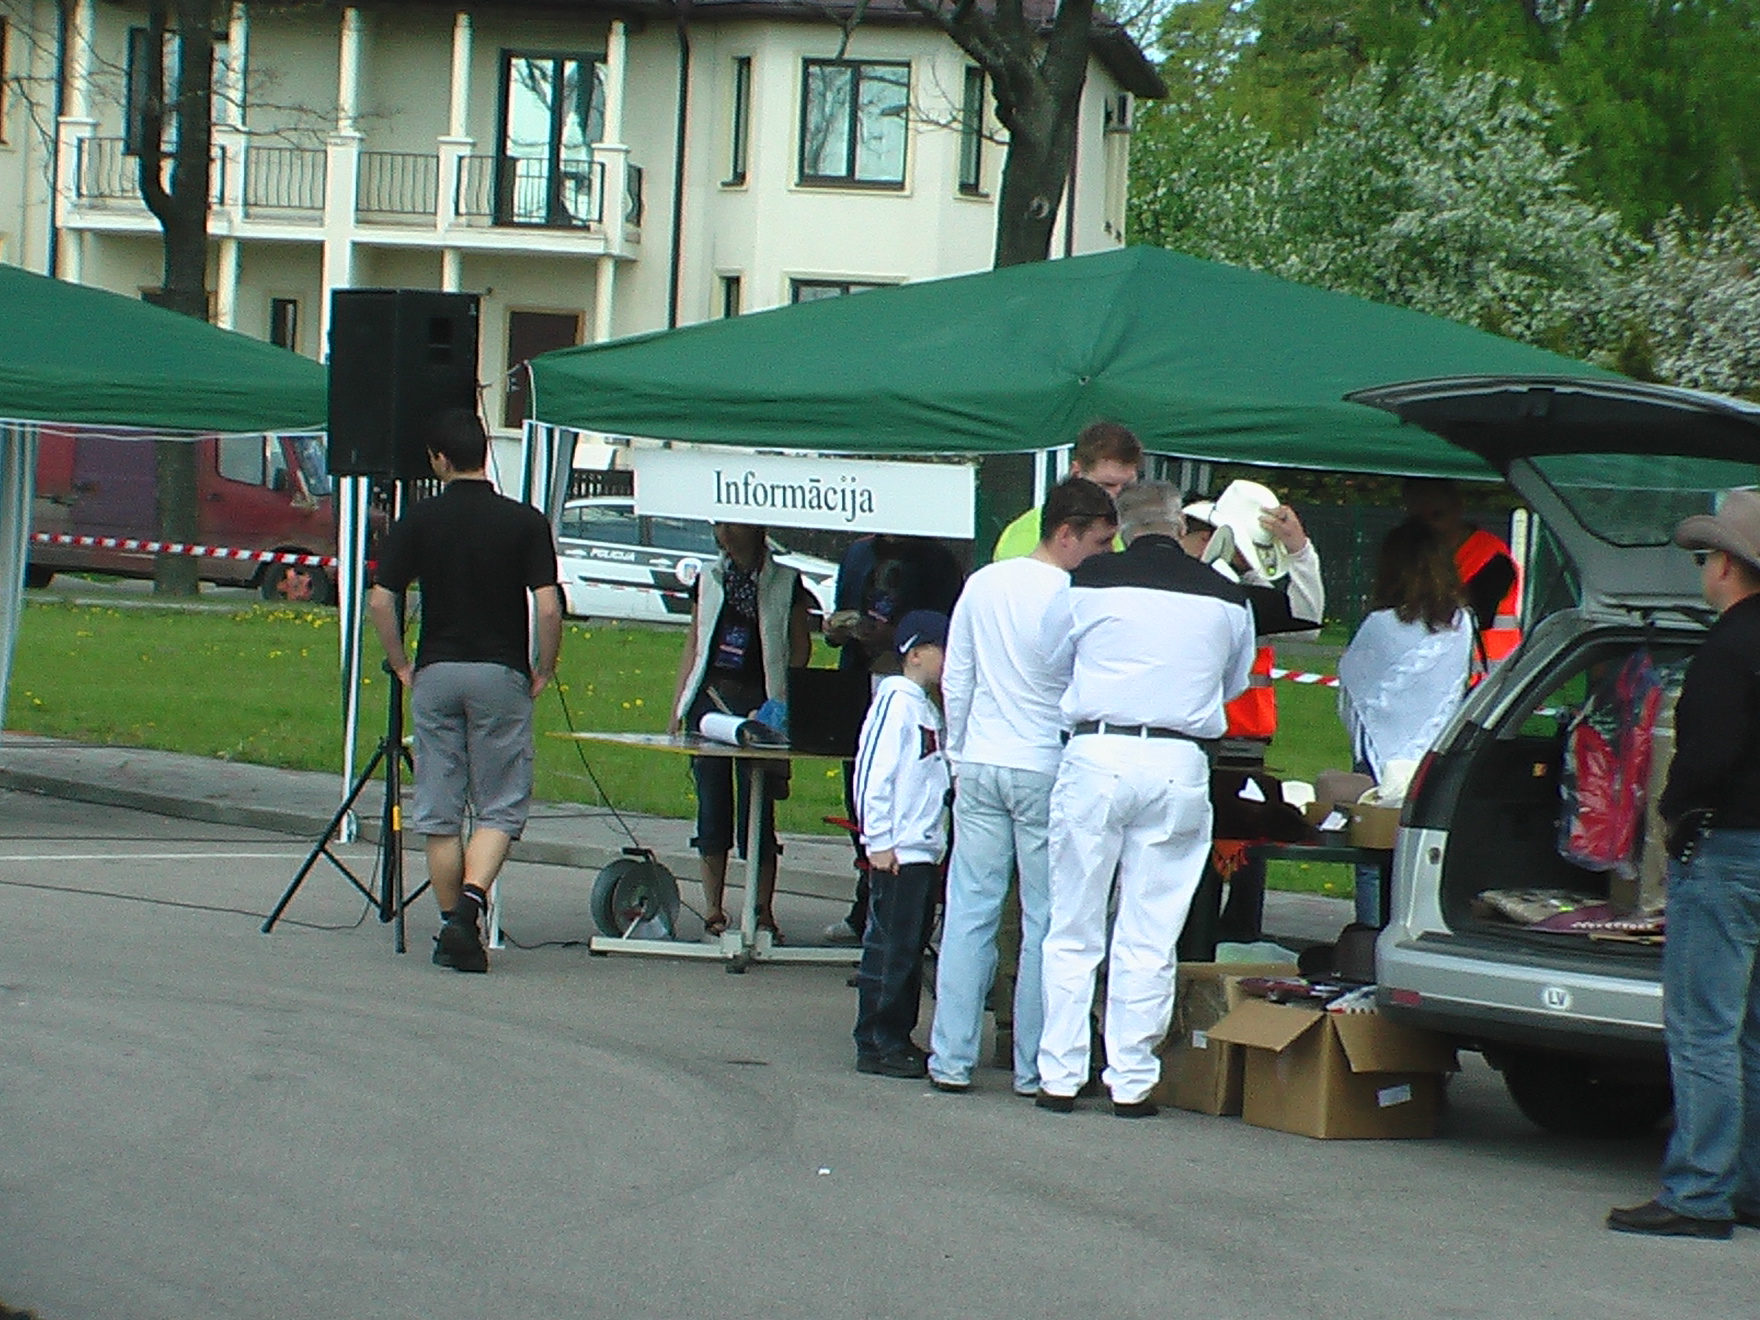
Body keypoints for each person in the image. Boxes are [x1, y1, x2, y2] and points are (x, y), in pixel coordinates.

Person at [1036, 482, 1255, 1115]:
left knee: (1074, 925)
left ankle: (1060, 1074)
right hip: (1178, 760)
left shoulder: (1087, 582)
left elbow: (1052, 659)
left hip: (1099, 751)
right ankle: (1132, 1079)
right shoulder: (1227, 596)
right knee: (1151, 930)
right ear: (1179, 526)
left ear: (1124, 529)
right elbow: (1233, 681)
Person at [927, 479, 1120, 1096]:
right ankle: (1034, 1064)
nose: (1105, 554)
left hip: (983, 758)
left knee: (970, 912)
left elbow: (958, 677)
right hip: (1044, 763)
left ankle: (951, 1056)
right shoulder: (1073, 596)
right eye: (1099, 542)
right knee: (1046, 920)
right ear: (1067, 534)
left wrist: (959, 753)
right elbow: (1080, 688)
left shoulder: (985, 583)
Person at [1608, 490, 1760, 1240]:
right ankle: (1748, 1185)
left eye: (1705, 557)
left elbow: (1707, 757)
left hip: (1728, 848)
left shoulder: (1728, 649)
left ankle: (1699, 1191)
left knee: (1703, 1027)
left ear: (1726, 564)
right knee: (1752, 1029)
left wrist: (1675, 816)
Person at [368, 408, 562, 975]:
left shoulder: (419, 520)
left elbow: (382, 599)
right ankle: (469, 910)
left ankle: (454, 925)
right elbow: (548, 606)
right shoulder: (524, 522)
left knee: (440, 809)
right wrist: (544, 667)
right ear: (484, 453)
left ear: (439, 459)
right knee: (500, 803)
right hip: (500, 672)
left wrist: (401, 663)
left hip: (436, 671)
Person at [1178, 479, 1324, 944]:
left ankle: (1226, 945)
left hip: (1242, 742)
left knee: (1241, 850)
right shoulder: (1210, 591)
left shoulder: (1242, 589)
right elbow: (1304, 620)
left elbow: (1304, 624)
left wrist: (1297, 554)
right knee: (1201, 858)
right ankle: (1201, 947)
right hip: (1208, 743)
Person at [669, 522, 813, 941]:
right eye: (719, 526)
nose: (725, 535)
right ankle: (713, 909)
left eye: (733, 526)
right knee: (712, 807)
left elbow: (800, 646)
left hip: (761, 704)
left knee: (759, 810)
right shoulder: (709, 578)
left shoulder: (786, 582)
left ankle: (762, 910)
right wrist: (678, 705)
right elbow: (694, 642)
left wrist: (781, 702)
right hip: (711, 701)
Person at [821, 534, 964, 944]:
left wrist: (892, 636)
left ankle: (915, 912)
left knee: (919, 786)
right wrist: (841, 628)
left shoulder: (937, 562)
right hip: (861, 680)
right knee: (868, 785)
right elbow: (872, 779)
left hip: (909, 678)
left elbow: (941, 626)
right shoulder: (858, 553)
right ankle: (870, 902)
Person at [1336, 518, 1473, 925]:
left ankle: (1370, 937)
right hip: (1435, 756)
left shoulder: (1380, 625)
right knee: (1422, 854)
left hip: (1378, 759)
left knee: (1372, 853)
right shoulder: (1462, 624)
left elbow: (1355, 691)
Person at [852, 610, 953, 1079]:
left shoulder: (924, 708)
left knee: (908, 946)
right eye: (941, 649)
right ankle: (878, 1038)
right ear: (915, 653)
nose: (948, 659)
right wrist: (878, 839)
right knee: (890, 947)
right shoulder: (896, 704)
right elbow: (873, 773)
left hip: (920, 847)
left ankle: (896, 1034)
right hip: (899, 849)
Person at [1403, 477, 1522, 668]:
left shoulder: (1491, 557)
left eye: (1436, 515)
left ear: (1457, 506)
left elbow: (1460, 619)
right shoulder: (1418, 556)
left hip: (1486, 679)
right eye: (1418, 519)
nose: (1427, 525)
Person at [989, 420, 1142, 563]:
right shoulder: (1026, 536)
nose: (1118, 495)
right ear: (1076, 473)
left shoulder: (1129, 529)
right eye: (1107, 485)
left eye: (1128, 487)